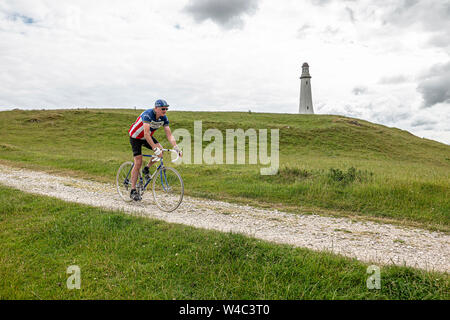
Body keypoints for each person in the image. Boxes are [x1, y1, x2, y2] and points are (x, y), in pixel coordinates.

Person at [128, 99, 182, 201]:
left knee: (160, 151)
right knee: (138, 162)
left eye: (166, 108)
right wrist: (154, 148)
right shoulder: (148, 114)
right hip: (136, 137)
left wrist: (176, 148)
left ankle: (146, 168)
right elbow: (146, 133)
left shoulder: (163, 118)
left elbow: (169, 135)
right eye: (163, 109)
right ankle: (133, 190)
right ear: (156, 108)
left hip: (146, 137)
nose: (165, 110)